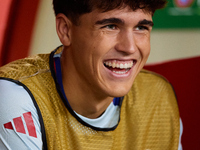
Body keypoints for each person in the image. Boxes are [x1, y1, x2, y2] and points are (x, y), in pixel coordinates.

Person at [0, 0, 183, 149]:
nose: (129, 47)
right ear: (65, 29)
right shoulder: (15, 97)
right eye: (111, 26)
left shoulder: (158, 97)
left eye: (141, 28)